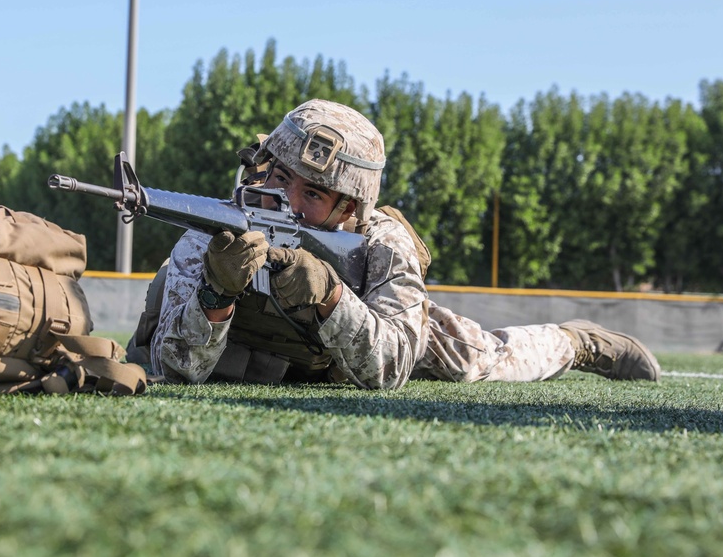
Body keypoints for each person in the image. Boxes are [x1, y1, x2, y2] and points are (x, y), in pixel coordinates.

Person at [141, 99, 660, 389]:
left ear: (350, 209)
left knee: (481, 359)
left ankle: (577, 341)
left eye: (313, 193)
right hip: (273, 353)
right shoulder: (214, 233)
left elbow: (389, 369)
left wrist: (330, 296)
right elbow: (177, 372)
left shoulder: (381, 243)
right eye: (277, 173)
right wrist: (216, 293)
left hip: (386, 330)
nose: (284, 198)